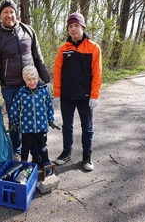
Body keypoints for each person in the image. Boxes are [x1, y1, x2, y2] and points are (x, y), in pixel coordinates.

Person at [0, 0, 51, 164]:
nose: (9, 15)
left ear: (16, 13)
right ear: (0, 15)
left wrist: (46, 80)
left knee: (35, 119)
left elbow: (38, 57)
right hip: (10, 86)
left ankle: (36, 155)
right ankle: (16, 152)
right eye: (5, 12)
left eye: (11, 11)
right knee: (15, 120)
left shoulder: (28, 31)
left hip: (32, 84)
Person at [52, 12, 102, 171]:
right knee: (67, 126)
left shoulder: (93, 47)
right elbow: (57, 72)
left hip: (85, 97)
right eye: (70, 26)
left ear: (82, 27)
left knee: (87, 128)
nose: (73, 29)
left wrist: (94, 95)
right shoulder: (63, 49)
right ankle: (66, 151)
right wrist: (57, 94)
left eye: (76, 26)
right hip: (66, 96)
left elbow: (97, 73)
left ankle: (87, 155)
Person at [8, 65, 61, 176]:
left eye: (34, 78)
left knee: (42, 145)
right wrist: (14, 122)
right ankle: (23, 165)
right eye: (29, 79)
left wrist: (50, 120)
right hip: (26, 127)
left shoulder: (43, 91)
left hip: (41, 126)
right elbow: (15, 108)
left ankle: (46, 163)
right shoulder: (21, 93)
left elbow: (49, 106)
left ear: (37, 78)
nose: (32, 82)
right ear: (25, 80)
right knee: (25, 146)